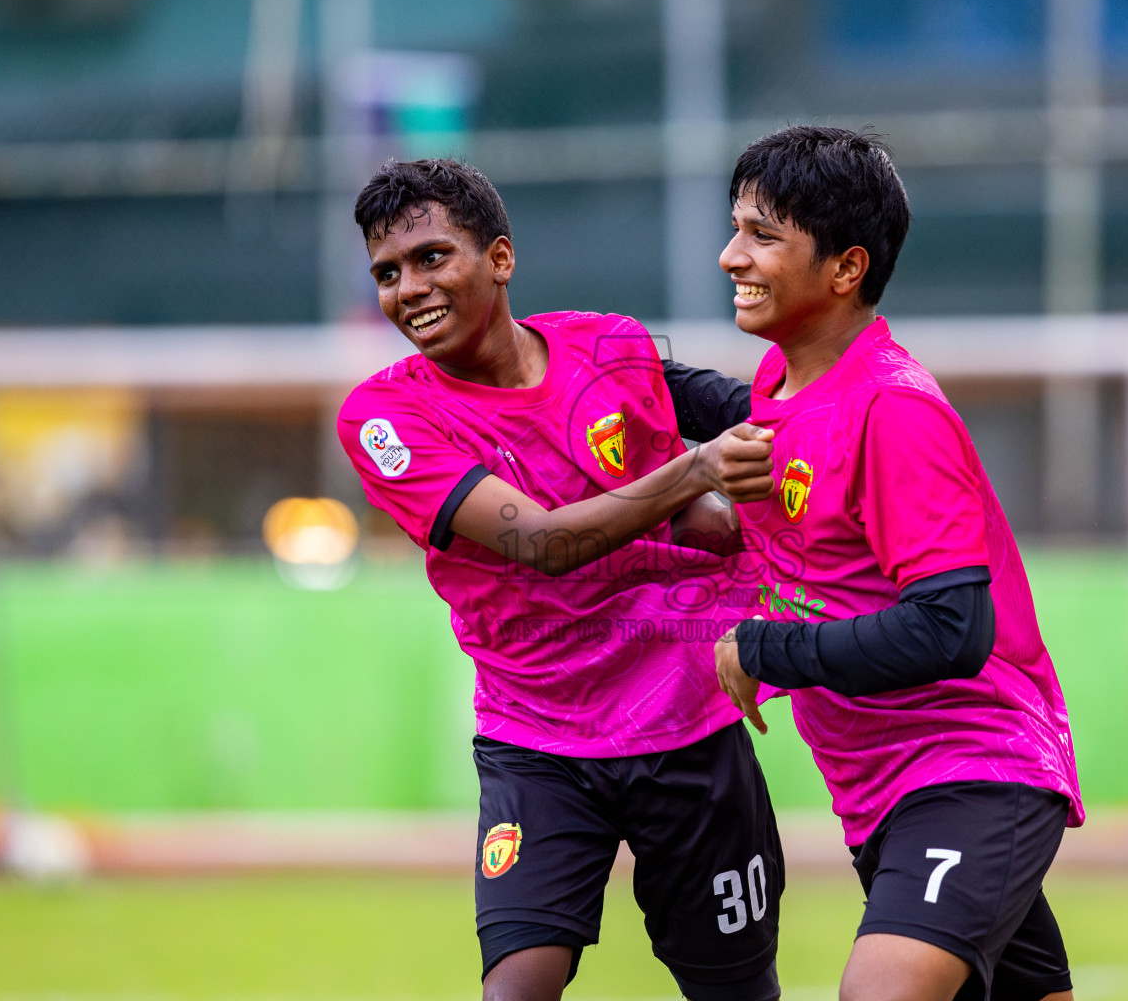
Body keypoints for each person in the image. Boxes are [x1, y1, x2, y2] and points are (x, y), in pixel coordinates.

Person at [336, 158, 785, 1001]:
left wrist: (859, 410)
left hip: (686, 723)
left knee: (738, 991)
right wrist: (696, 475)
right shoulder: (384, 418)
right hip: (539, 741)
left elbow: (753, 413)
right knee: (517, 987)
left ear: (500, 258)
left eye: (433, 257)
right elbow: (539, 544)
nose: (409, 289)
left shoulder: (607, 345)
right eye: (388, 273)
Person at [662, 126, 1084, 1001]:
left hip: (971, 768)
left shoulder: (893, 409)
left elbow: (952, 628)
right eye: (736, 226)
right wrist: (557, 356)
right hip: (884, 791)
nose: (729, 254)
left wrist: (765, 648)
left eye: (762, 235)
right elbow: (713, 399)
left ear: (846, 268)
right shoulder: (786, 386)